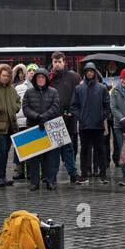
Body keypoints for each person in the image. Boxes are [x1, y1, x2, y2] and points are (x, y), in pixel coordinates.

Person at [22, 68, 63, 190]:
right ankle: (34, 182)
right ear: (35, 79)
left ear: (46, 79)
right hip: (33, 127)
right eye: (38, 77)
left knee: (50, 157)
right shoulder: (29, 92)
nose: (40, 80)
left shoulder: (53, 92)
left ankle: (50, 181)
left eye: (42, 77)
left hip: (49, 127)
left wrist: (44, 117)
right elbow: (25, 108)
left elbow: (56, 107)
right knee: (34, 158)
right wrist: (37, 116)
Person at [71, 63, 109, 183]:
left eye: (91, 71)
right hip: (84, 125)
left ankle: (103, 173)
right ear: (85, 73)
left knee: (100, 150)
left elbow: (107, 106)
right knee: (84, 151)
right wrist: (80, 117)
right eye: (87, 71)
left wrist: (101, 117)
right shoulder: (79, 89)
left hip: (98, 125)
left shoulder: (102, 88)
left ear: (94, 73)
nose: (89, 73)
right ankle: (84, 174)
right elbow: (74, 106)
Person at [49, 53, 82, 184]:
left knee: (69, 147)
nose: (57, 64)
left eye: (59, 61)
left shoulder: (73, 76)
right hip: (54, 117)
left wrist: (74, 112)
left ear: (64, 62)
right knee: (55, 149)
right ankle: (53, 175)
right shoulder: (48, 77)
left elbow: (79, 95)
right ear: (52, 62)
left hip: (69, 117)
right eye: (55, 61)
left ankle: (73, 173)